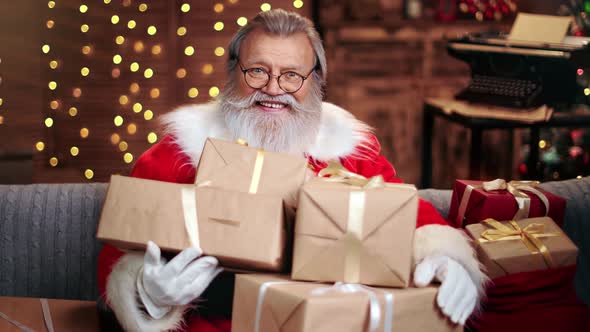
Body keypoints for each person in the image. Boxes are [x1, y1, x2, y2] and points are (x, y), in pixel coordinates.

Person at [97, 9, 485, 332]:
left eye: (291, 75)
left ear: (315, 81)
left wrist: (447, 258)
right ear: (234, 73)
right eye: (257, 71)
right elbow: (121, 241)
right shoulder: (182, 151)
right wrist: (145, 292)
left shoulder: (348, 153)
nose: (273, 88)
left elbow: (408, 213)